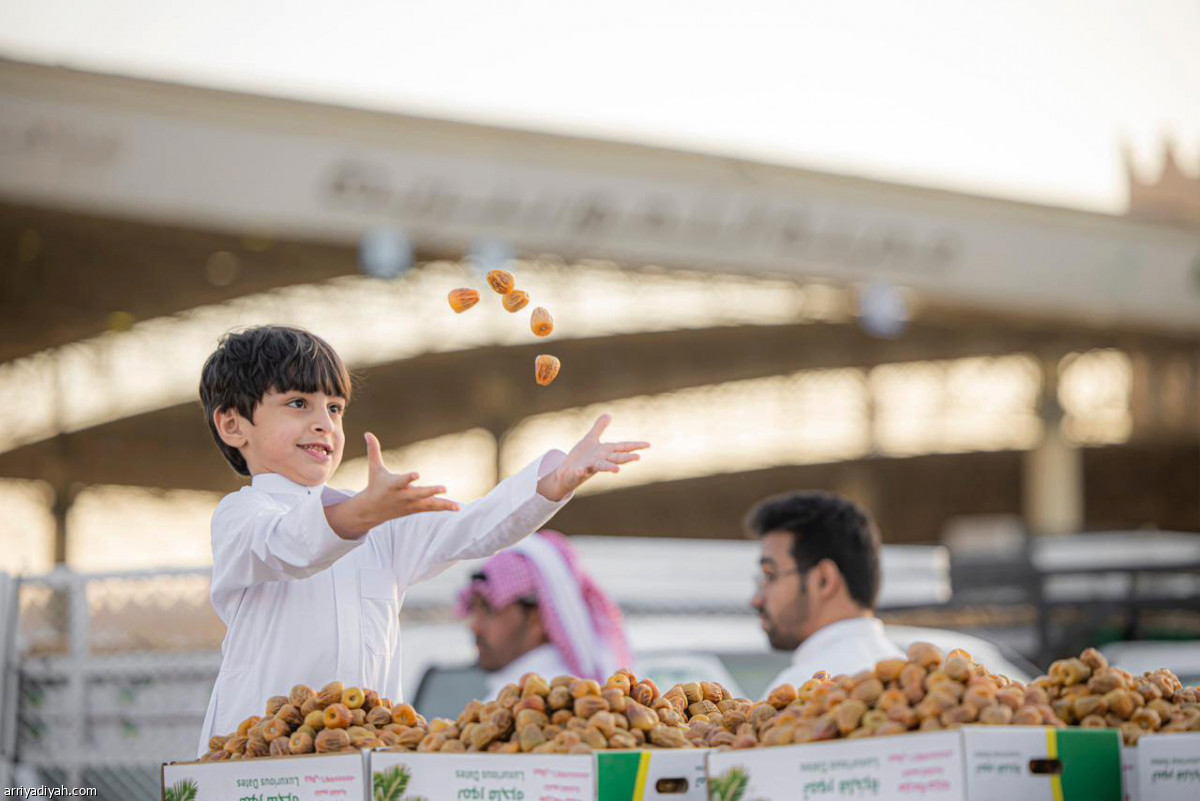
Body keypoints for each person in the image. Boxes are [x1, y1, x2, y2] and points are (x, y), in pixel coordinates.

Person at [195, 325, 648, 755]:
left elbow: (472, 528)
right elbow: (292, 546)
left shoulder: (380, 526)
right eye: (298, 404)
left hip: (359, 758)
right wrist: (362, 513)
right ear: (233, 425)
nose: (324, 424)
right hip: (253, 760)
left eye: (334, 408)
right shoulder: (242, 517)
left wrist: (551, 483)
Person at [747, 490, 903, 695]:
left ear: (824, 580)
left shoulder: (795, 693)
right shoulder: (913, 679)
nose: (756, 600)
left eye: (770, 575)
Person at [458, 530, 631, 697]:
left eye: (490, 611)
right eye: (474, 610)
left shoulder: (547, 702)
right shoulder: (506, 699)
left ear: (537, 618)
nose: (475, 626)